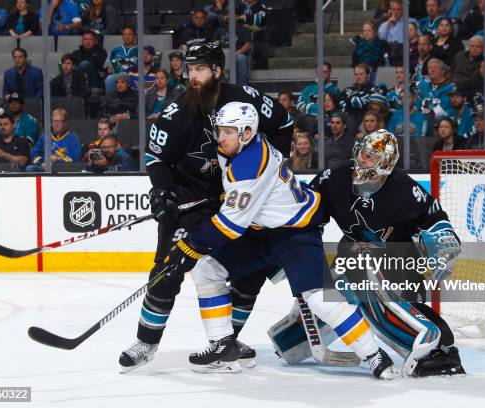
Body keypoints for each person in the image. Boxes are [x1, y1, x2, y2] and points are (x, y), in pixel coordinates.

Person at [159, 102, 399, 379]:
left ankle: (373, 355)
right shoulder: (237, 147)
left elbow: (230, 225)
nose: (220, 137)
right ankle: (223, 345)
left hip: (295, 233)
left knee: (319, 299)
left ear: (247, 132)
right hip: (261, 231)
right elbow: (239, 196)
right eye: (220, 130)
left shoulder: (250, 164)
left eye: (227, 131)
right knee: (207, 269)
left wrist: (189, 247)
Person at [119, 43, 294, 372]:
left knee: (250, 272)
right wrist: (162, 193)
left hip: (239, 200)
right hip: (191, 197)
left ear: (217, 71)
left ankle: (227, 341)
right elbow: (157, 158)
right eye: (189, 69)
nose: (192, 76)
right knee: (169, 270)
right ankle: (147, 341)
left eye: (199, 69)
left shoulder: (247, 99)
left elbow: (284, 125)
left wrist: (268, 176)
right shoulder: (178, 110)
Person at [309, 130, 465, 377]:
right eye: (362, 152)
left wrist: (444, 245)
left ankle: (441, 350)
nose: (362, 160)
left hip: (399, 263)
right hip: (352, 255)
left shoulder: (403, 188)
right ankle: (296, 339)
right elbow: (308, 212)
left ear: (386, 163)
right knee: (321, 294)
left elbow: (434, 218)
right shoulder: (335, 177)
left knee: (393, 308)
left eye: (370, 157)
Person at [105, 26, 137, 94]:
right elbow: (108, 64)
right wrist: (109, 68)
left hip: (135, 75)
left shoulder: (140, 49)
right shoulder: (115, 50)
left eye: (130, 34)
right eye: (125, 34)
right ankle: (111, 101)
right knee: (109, 79)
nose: (127, 37)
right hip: (118, 75)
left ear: (135, 36)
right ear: (122, 36)